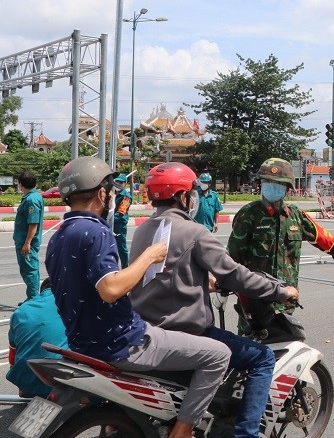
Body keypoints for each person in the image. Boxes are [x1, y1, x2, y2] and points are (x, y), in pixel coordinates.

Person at [45, 156, 232, 438]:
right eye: (110, 190)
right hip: (124, 342)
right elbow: (110, 289)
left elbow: (92, 288)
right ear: (101, 193)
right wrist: (150, 256)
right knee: (219, 354)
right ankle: (182, 431)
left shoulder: (59, 236)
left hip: (82, 342)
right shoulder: (97, 231)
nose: (112, 196)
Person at [129, 162, 300, 438]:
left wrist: (201, 281)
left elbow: (163, 273)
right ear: (185, 197)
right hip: (187, 330)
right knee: (263, 358)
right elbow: (235, 274)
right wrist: (281, 291)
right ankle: (247, 434)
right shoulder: (195, 232)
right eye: (193, 191)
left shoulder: (143, 230)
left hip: (148, 328)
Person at [228, 157, 334, 313]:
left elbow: (320, 236)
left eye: (279, 184)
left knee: (288, 335)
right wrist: (223, 286)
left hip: (286, 299)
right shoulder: (248, 215)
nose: (273, 187)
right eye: (268, 183)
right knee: (250, 337)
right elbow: (233, 256)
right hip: (255, 300)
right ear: (260, 185)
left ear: (287, 188)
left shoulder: (296, 216)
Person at [6, 278, 68, 398]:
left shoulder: (21, 311)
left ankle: (27, 387)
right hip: (63, 381)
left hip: (28, 384)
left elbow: (12, 357)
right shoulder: (69, 303)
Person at [14, 170, 44, 300]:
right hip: (25, 241)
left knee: (30, 271)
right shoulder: (34, 196)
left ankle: (33, 300)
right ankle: (31, 298)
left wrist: (27, 243)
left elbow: (33, 223)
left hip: (27, 242)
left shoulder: (31, 199)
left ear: (20, 184)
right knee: (28, 270)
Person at [113, 173, 133, 267]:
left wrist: (109, 219)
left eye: (121, 182)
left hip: (119, 224)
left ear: (124, 184)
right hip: (109, 223)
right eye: (117, 181)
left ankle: (125, 268)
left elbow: (121, 212)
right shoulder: (111, 193)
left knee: (121, 248)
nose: (119, 184)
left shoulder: (126, 196)